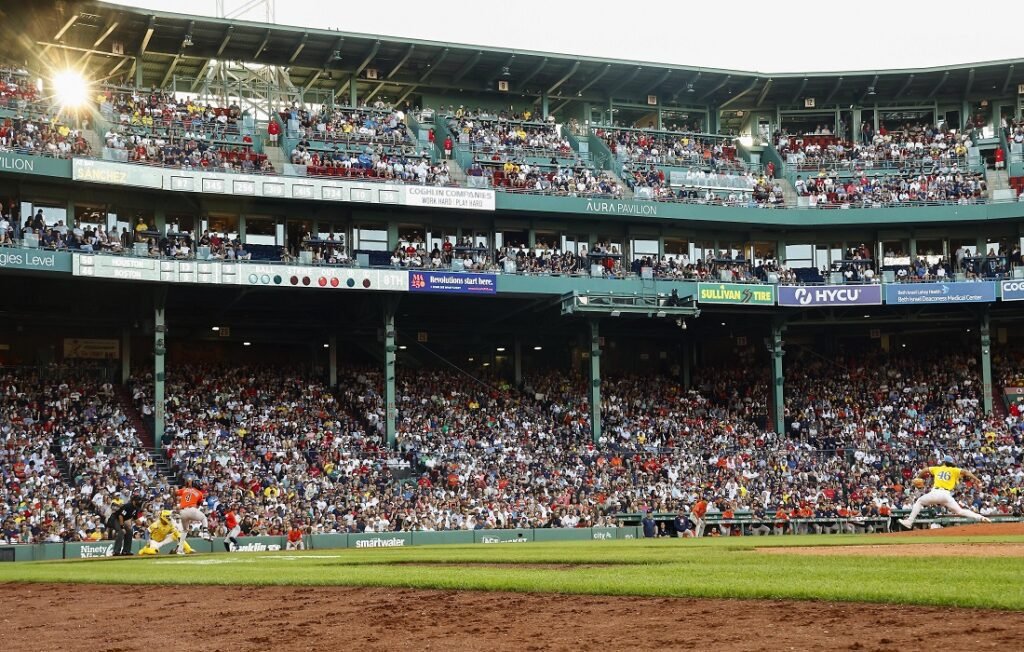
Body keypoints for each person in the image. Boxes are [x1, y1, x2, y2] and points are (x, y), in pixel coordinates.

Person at [898, 455, 992, 530]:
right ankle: (981, 518)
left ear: (944, 462)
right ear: (951, 463)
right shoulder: (954, 470)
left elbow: (924, 470)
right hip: (946, 495)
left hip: (935, 493)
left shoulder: (937, 468)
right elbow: (966, 472)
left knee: (919, 501)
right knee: (960, 511)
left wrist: (918, 477)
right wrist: (977, 479)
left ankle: (909, 522)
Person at [175, 478, 207, 553]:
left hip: (182, 512)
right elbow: (199, 504)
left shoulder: (185, 489)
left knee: (185, 530)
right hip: (192, 509)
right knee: (204, 518)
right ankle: (205, 533)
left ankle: (179, 550)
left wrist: (184, 488)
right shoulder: (200, 493)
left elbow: (176, 492)